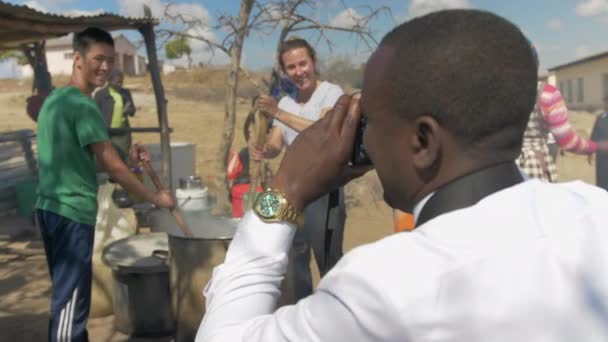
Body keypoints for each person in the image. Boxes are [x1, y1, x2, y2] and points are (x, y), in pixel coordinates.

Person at [196, 10, 608, 341]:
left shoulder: (379, 291)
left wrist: (281, 192)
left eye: (370, 121)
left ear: (423, 141)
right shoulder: (595, 211)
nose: (366, 140)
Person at [36, 27, 175, 342]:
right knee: (70, 306)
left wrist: (130, 162)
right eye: (98, 58)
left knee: (68, 297)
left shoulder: (57, 99)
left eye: (111, 60)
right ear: (78, 59)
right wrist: (155, 198)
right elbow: (112, 165)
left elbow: (93, 159)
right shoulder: (84, 105)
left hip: (48, 209)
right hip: (71, 212)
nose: (105, 67)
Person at [249, 37, 346, 302]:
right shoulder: (287, 102)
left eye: (303, 63)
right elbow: (276, 143)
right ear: (285, 71)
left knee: (329, 260)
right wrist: (263, 149)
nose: (299, 71)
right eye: (291, 67)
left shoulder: (331, 93)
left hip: (324, 190)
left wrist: (277, 113)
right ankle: (300, 314)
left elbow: (324, 134)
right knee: (293, 258)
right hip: (291, 190)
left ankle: (336, 314)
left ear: (313, 62)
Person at [516, 45, 608, 181]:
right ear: (535, 63)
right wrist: (598, 146)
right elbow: (567, 142)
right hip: (534, 167)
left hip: (502, 166)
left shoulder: (495, 94)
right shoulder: (547, 94)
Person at [94, 69, 136, 161]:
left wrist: (128, 109)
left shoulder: (125, 93)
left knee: (122, 159)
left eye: (121, 82)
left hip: (122, 134)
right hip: (106, 133)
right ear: (109, 81)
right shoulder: (100, 94)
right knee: (107, 159)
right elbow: (94, 115)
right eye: (117, 82)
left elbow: (133, 111)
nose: (120, 84)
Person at [591, 95, 608, 191]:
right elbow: (594, 134)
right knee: (601, 183)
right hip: (601, 156)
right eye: (605, 102)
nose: (606, 104)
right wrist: (590, 151)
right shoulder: (600, 117)